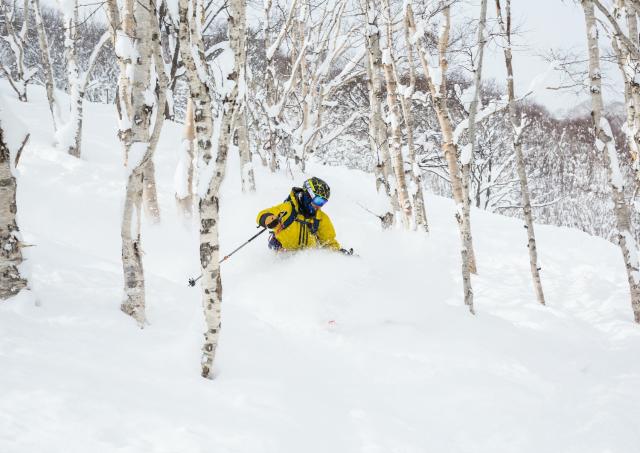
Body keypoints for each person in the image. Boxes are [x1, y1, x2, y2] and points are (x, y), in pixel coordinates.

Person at [256, 177, 352, 254]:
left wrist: (339, 253)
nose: (319, 206)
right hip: (283, 255)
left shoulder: (321, 218)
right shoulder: (288, 209)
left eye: (323, 202)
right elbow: (263, 214)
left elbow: (328, 242)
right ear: (308, 195)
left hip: (306, 262)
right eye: (318, 200)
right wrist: (267, 219)